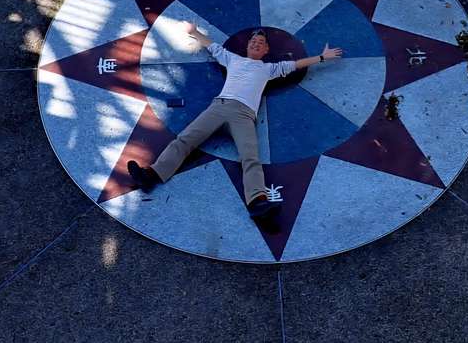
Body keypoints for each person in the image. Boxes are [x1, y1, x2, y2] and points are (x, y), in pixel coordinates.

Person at [128, 21, 343, 220]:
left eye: (261, 42)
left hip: (244, 115)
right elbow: (213, 47)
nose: (256, 43)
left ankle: (257, 202)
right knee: (184, 139)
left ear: (266, 50)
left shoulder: (269, 69)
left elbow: (295, 65)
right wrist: (194, 32)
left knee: (250, 158)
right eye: (253, 41)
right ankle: (151, 175)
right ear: (247, 46)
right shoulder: (233, 59)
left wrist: (321, 57)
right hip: (219, 107)